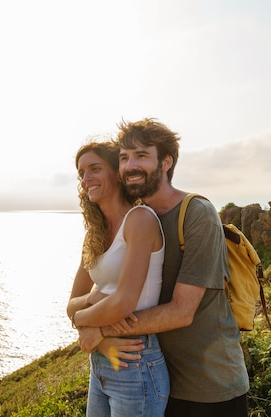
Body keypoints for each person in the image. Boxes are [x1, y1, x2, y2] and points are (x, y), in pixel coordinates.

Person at [77, 119, 250, 417]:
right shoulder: (136, 218)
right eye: (123, 158)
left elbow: (182, 311)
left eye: (141, 156)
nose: (130, 165)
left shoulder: (196, 213)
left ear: (166, 161)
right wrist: (95, 328)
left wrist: (99, 329)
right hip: (159, 374)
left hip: (209, 386)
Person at [68, 140, 170, 417]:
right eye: (81, 174)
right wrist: (92, 303)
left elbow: (124, 303)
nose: (86, 179)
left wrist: (82, 322)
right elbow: (71, 304)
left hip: (136, 360)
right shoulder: (95, 234)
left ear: (116, 172)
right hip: (102, 359)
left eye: (95, 168)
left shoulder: (140, 220)